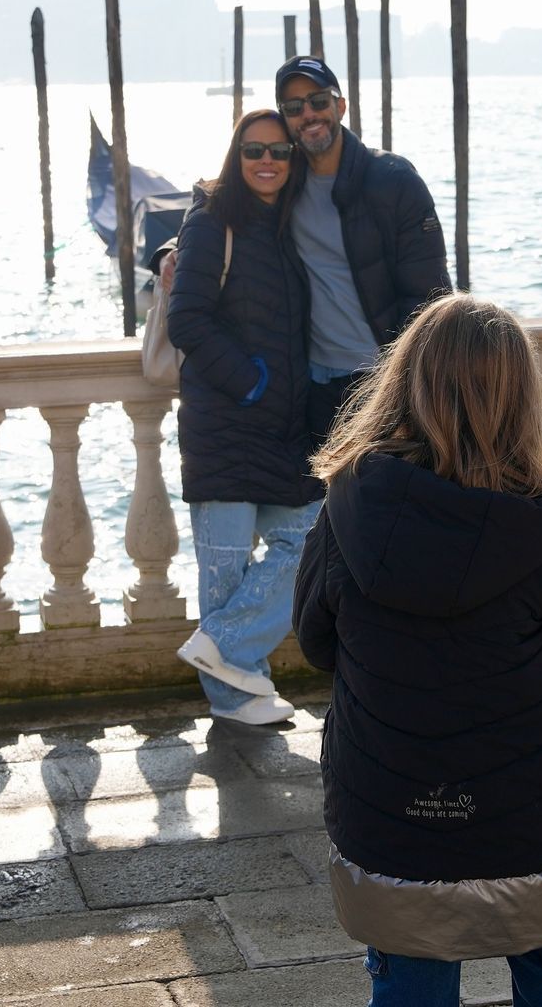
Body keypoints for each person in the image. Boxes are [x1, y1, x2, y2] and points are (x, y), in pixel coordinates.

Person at [292, 294, 542, 1006]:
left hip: (391, 818)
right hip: (532, 819)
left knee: (410, 984)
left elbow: (316, 643)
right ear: (518, 398)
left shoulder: (346, 511)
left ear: (403, 381)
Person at [166, 108, 322, 727]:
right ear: (236, 154)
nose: (267, 161)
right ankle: (236, 698)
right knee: (225, 570)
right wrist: (250, 384)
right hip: (225, 425)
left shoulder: (291, 223)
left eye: (280, 152)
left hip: (283, 431)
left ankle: (224, 650)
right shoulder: (213, 218)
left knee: (312, 541)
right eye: (254, 149)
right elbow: (187, 320)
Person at [275, 55, 453, 444]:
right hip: (315, 385)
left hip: (383, 381)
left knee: (390, 502)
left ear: (340, 105)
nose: (308, 114)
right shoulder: (281, 182)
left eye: (319, 101)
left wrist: (410, 387)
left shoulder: (394, 181)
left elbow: (431, 296)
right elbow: (221, 206)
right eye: (294, 107)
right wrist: (171, 251)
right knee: (330, 503)